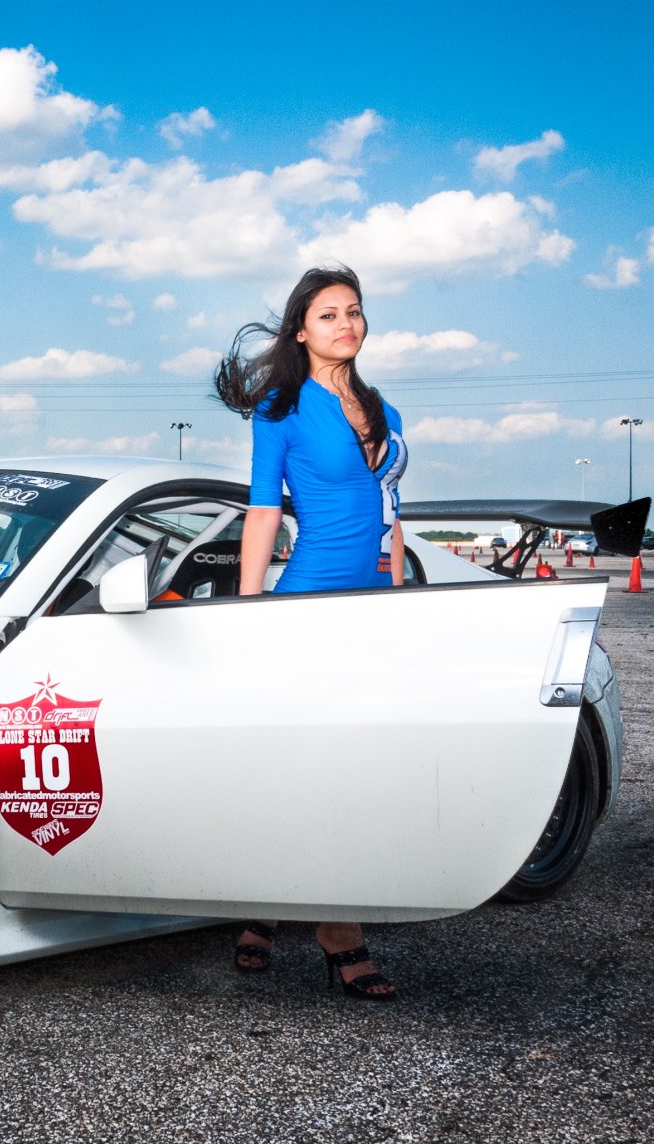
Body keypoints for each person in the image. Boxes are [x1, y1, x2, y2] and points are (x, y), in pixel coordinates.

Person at [211, 263, 404, 1001]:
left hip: (371, 607)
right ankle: (338, 931)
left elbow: (391, 517)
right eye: (328, 314)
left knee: (356, 764)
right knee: (315, 767)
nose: (345, 324)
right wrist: (249, 607)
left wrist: (397, 600)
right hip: (308, 600)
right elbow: (263, 511)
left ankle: (266, 902)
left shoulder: (383, 408)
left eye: (353, 311)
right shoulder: (280, 408)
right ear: (301, 329)